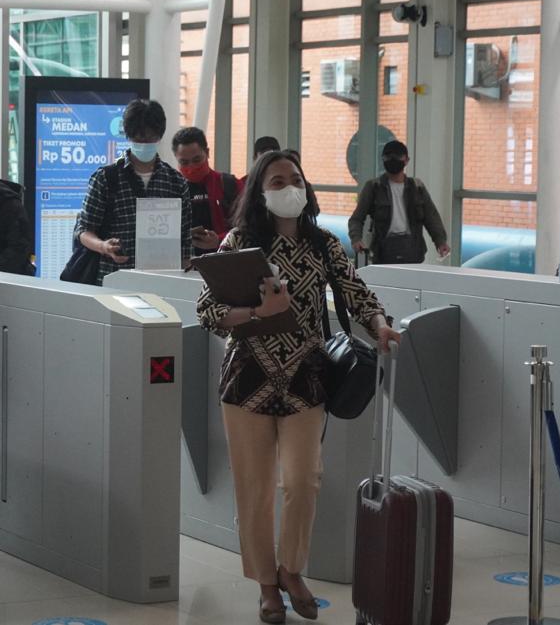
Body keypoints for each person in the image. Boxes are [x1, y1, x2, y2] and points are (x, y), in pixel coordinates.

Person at [196, 150, 400, 624]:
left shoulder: (324, 244)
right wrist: (256, 315)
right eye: (276, 181)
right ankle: (267, 585)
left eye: (295, 179)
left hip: (306, 379)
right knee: (255, 488)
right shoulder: (239, 243)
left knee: (304, 480)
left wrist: (380, 324)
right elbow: (207, 313)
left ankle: (292, 569)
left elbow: (357, 293)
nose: (288, 187)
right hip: (246, 381)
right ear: (260, 193)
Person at [74, 98, 191, 285]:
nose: (145, 143)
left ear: (160, 136)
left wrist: (184, 281)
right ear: (128, 136)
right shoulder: (106, 178)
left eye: (151, 138)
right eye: (139, 138)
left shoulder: (175, 182)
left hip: (162, 281)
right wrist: (104, 246)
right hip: (115, 279)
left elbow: (185, 240)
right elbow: (84, 231)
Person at [348, 140, 450, 264]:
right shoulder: (374, 187)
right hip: (383, 252)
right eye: (388, 156)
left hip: (413, 251)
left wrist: (441, 242)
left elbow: (431, 217)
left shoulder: (417, 187)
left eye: (397, 156)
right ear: (383, 160)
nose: (392, 159)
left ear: (407, 160)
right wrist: (356, 239)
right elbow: (356, 218)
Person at [172, 126, 242, 254]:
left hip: (222, 263)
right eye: (184, 162)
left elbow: (248, 228)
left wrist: (220, 240)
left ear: (208, 153)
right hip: (181, 266)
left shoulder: (229, 184)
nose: (191, 167)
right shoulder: (170, 190)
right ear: (176, 159)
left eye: (197, 160)